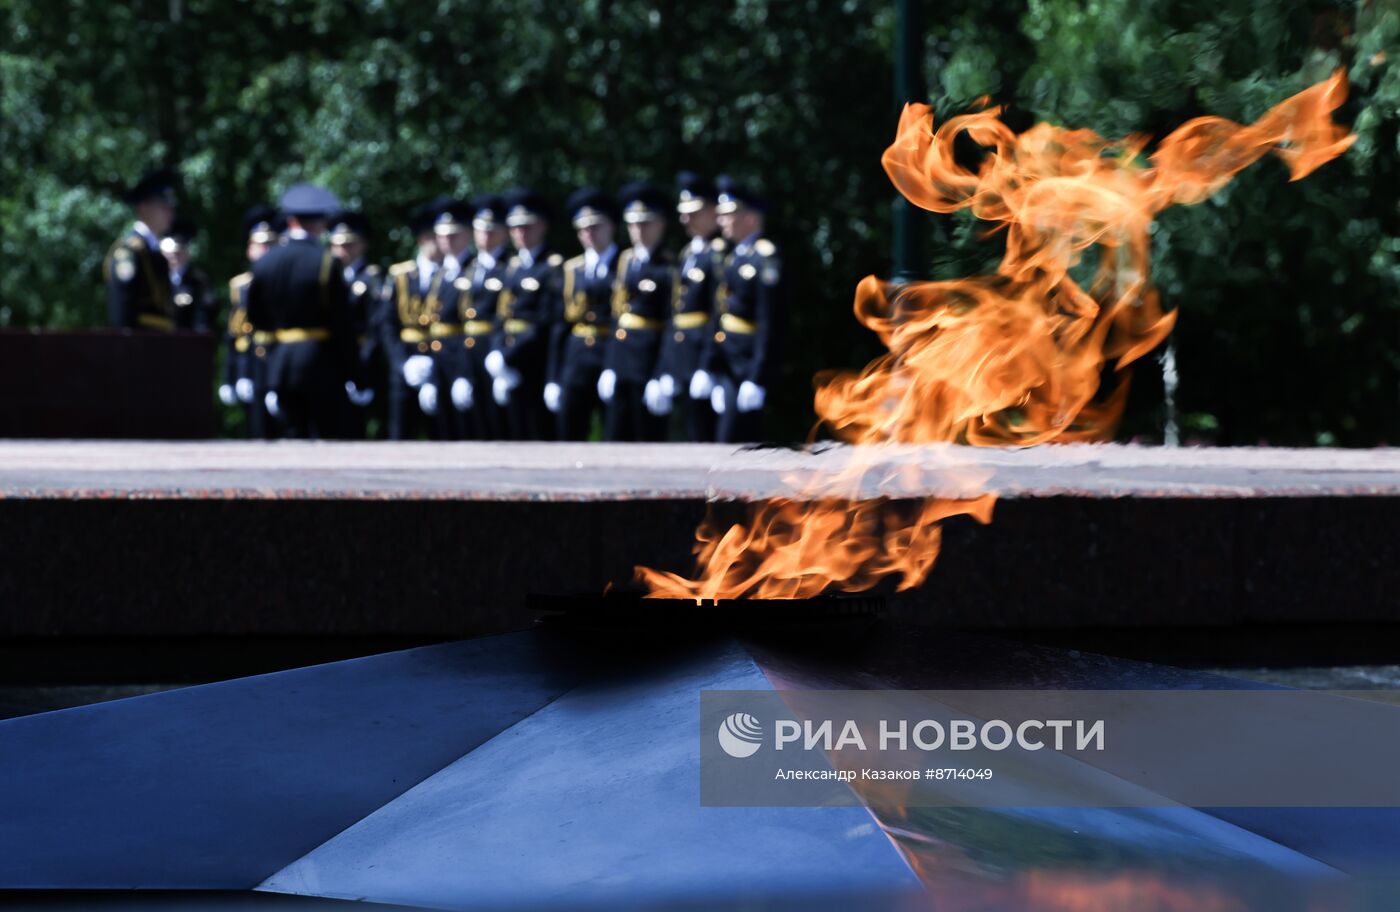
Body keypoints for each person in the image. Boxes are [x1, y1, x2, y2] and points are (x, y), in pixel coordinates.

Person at [245, 183, 367, 439]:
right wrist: (356, 373)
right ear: (321, 223)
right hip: (321, 363)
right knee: (328, 436)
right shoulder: (326, 262)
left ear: (290, 221)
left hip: (279, 363)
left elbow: (255, 317)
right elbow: (341, 323)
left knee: (292, 436)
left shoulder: (266, 262)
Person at [691, 176, 783, 443]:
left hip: (747, 365)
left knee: (737, 444)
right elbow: (719, 315)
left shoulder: (765, 258)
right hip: (728, 363)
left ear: (750, 219)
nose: (721, 221)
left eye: (729, 214)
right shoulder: (732, 257)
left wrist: (757, 377)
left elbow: (770, 323)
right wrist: (710, 366)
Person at [601, 182, 676, 442]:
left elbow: (671, 325)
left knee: (648, 439)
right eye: (633, 223)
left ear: (660, 224)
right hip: (622, 363)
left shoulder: (668, 267)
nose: (638, 230)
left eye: (645, 223)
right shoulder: (626, 263)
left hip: (649, 363)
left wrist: (661, 374)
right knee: (615, 437)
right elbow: (617, 318)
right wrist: (609, 366)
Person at [486, 188, 564, 441]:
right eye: (515, 227)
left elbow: (546, 321)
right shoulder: (512, 267)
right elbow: (501, 315)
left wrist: (508, 356)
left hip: (534, 362)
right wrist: (497, 352)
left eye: (527, 226)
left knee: (537, 435)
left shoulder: (551, 267)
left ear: (542, 227)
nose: (520, 233)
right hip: (508, 363)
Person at [659, 171, 725, 442]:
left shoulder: (719, 253)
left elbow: (719, 313)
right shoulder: (688, 253)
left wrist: (708, 365)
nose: (685, 219)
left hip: (705, 354)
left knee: (708, 437)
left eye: (694, 212)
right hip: (684, 355)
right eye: (684, 213)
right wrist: (667, 365)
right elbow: (676, 314)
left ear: (713, 212)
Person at [550, 187, 619, 440]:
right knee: (570, 429)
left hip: (610, 351)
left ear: (610, 227)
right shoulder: (572, 269)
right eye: (582, 228)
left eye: (595, 226)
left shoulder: (623, 264)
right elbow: (560, 325)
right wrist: (554, 376)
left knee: (615, 432)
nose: (588, 233)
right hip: (577, 357)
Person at [444, 193, 511, 439]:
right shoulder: (470, 269)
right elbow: (460, 322)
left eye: (492, 230)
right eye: (481, 230)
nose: (486, 235)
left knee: (499, 427)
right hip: (469, 353)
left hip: (494, 349)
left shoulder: (508, 267)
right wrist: (462, 371)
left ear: (503, 233)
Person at [381, 198, 448, 440]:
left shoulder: (452, 275)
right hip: (406, 361)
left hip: (439, 362)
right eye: (435, 237)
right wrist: (402, 364)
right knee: (400, 435)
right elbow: (387, 325)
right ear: (422, 239)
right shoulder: (402, 275)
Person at [416, 199, 476, 440]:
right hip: (439, 363)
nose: (447, 240)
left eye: (454, 234)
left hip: (463, 362)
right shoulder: (439, 273)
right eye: (442, 235)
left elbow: (471, 329)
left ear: (467, 235)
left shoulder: (474, 269)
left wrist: (465, 373)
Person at [221, 206, 281, 438]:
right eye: (260, 245)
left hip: (280, 365)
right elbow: (235, 335)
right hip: (252, 368)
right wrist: (232, 377)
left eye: (271, 245)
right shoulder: (241, 286)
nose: (265, 250)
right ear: (250, 249)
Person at [329, 212, 382, 437]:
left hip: (363, 358)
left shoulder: (370, 278)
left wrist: (362, 364)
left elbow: (375, 325)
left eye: (349, 244)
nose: (343, 250)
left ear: (362, 245)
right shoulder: (330, 277)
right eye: (338, 244)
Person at [104, 168, 177, 331]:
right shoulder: (129, 252)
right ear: (143, 207)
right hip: (138, 346)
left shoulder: (157, 254)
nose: (170, 212)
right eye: (163, 206)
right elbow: (122, 309)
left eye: (171, 206)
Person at [160, 217, 215, 332]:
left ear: (185, 252)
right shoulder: (157, 278)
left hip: (187, 341)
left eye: (177, 253)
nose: (172, 258)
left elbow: (204, 317)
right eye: (168, 254)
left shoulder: (199, 281)